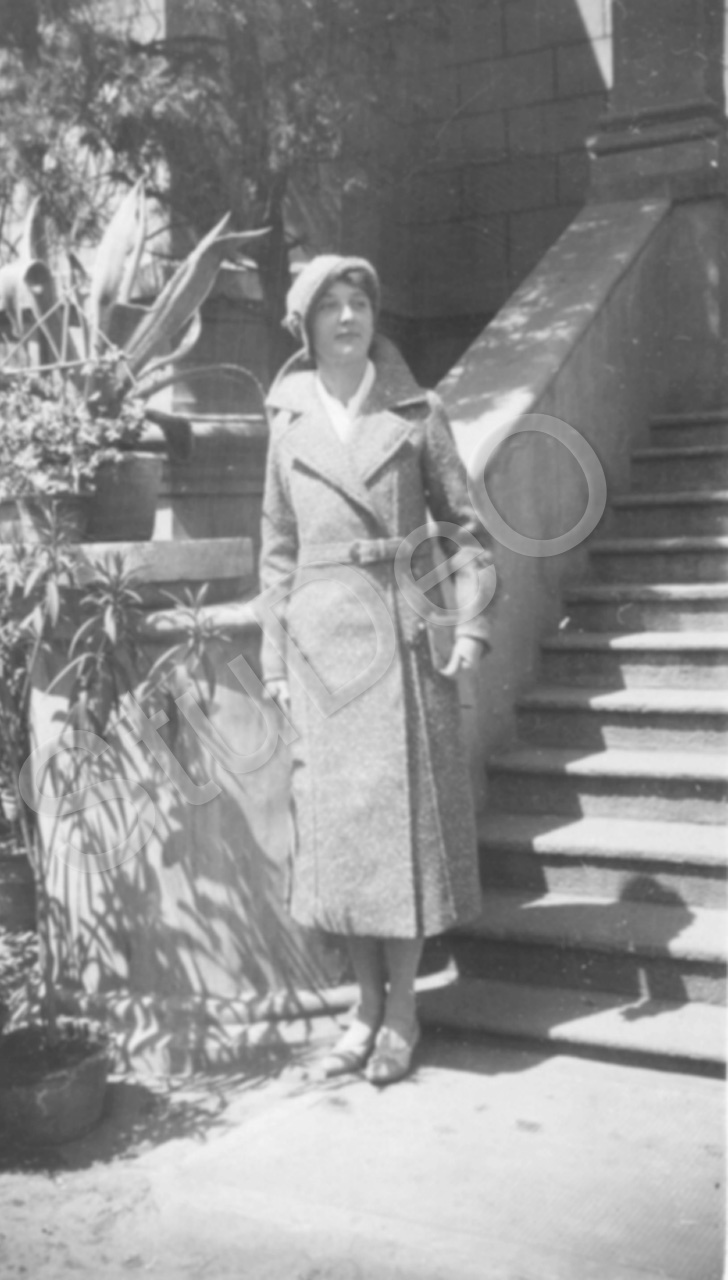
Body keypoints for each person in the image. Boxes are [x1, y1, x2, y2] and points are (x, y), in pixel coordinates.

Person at [259, 254, 492, 1086]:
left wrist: (471, 622)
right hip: (323, 649)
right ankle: (363, 1006)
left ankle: (403, 1012)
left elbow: (464, 531)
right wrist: (275, 658)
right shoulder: (286, 421)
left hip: (401, 636)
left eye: (359, 303)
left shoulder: (416, 412)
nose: (349, 318)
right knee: (343, 837)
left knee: (402, 836)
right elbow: (276, 551)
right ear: (306, 326)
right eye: (331, 307)